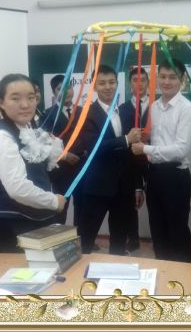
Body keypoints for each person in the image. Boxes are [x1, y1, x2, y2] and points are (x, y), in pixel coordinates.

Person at [0, 74, 66, 251]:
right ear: (1, 102)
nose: (25, 105)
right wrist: (53, 201)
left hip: (39, 219)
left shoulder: (28, 129)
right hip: (17, 223)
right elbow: (18, 188)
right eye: (15, 98)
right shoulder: (0, 136)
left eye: (30, 97)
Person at [131, 58, 191, 263]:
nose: (166, 82)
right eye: (162, 77)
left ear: (182, 80)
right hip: (155, 174)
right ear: (157, 78)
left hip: (176, 176)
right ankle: (163, 271)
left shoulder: (187, 109)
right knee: (157, 229)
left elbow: (180, 149)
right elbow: (158, 139)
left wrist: (145, 148)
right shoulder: (154, 106)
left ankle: (183, 278)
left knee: (177, 230)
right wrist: (143, 138)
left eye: (172, 77)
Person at [74, 64, 143, 255]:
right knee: (85, 238)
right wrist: (126, 139)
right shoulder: (87, 113)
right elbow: (94, 147)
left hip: (124, 187)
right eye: (102, 83)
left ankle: (116, 269)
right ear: (94, 86)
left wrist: (138, 186)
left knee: (119, 239)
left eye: (112, 82)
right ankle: (79, 271)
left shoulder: (127, 112)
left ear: (117, 84)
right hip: (97, 186)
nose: (107, 87)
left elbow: (134, 154)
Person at [42, 74, 83, 225]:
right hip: (60, 170)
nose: (66, 92)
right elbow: (44, 143)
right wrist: (64, 155)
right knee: (60, 208)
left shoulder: (83, 111)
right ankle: (59, 238)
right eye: (60, 89)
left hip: (82, 167)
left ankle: (81, 236)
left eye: (69, 87)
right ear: (54, 93)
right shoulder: (47, 115)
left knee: (82, 207)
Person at [118, 67, 150, 252]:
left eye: (143, 80)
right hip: (130, 160)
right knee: (130, 199)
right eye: (135, 80)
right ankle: (133, 237)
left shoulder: (156, 106)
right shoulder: (122, 109)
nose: (139, 84)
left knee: (155, 198)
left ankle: (159, 238)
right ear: (130, 83)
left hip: (153, 159)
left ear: (148, 83)